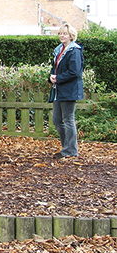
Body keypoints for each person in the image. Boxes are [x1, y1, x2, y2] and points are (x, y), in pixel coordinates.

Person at [49, 23, 84, 159]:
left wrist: (58, 78)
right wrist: (51, 77)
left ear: (71, 36)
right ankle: (66, 147)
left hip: (69, 90)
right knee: (57, 120)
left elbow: (75, 72)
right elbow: (56, 69)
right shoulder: (59, 50)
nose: (62, 36)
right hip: (59, 90)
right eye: (60, 33)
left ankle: (71, 150)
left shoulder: (74, 51)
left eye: (65, 33)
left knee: (68, 119)